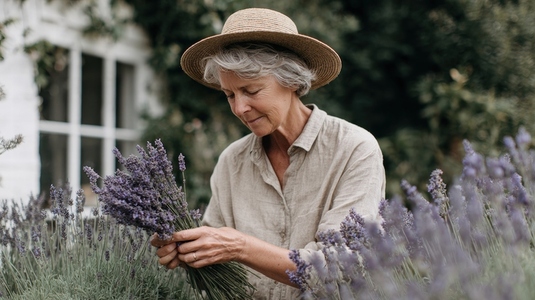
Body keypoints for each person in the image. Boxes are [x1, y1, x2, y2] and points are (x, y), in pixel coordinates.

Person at [151, 7, 386, 299]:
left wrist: (241, 247)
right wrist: (187, 253)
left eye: (251, 91)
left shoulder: (353, 149)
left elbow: (341, 266)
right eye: (229, 95)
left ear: (291, 81)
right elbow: (215, 274)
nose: (239, 108)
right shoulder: (232, 162)